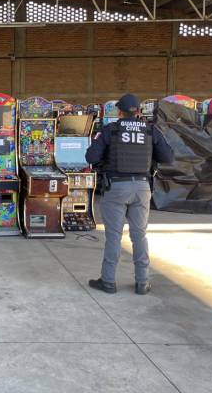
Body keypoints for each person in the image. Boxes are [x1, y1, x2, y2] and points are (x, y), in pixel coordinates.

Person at [85, 94, 174, 295]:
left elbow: (91, 156)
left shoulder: (110, 130)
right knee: (139, 235)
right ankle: (142, 282)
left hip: (116, 187)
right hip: (142, 187)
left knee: (114, 236)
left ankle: (108, 281)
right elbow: (168, 157)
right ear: (139, 112)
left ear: (119, 112)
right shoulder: (151, 130)